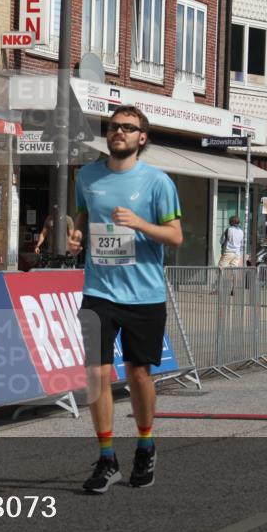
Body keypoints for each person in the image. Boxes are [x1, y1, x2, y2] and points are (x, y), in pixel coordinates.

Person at [68, 105, 183, 493]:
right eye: (114, 127)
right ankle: (106, 457)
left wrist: (140, 224)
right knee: (97, 375)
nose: (119, 132)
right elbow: (83, 215)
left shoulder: (157, 182)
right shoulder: (87, 176)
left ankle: (146, 445)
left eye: (128, 128)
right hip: (98, 291)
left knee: (137, 373)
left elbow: (176, 236)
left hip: (143, 294)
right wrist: (77, 236)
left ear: (142, 138)